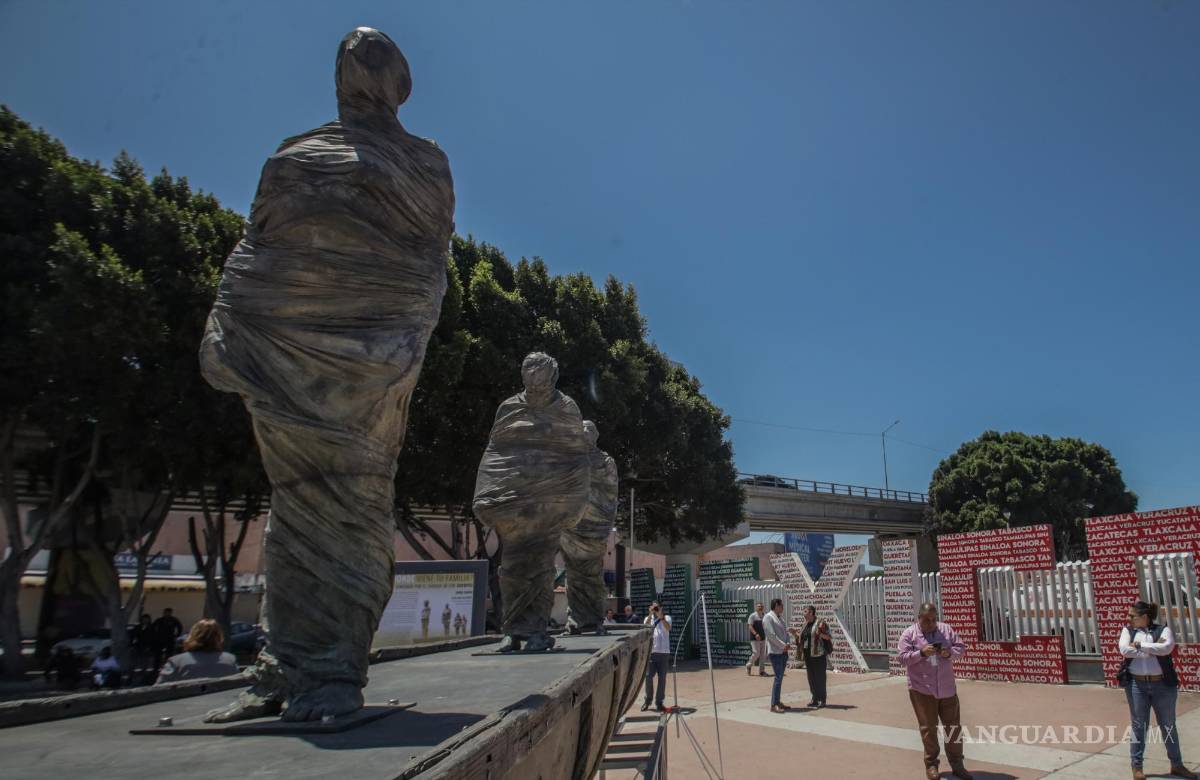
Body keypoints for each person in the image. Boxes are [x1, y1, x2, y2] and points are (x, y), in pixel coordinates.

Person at [1118, 600, 1197, 780]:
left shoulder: (1163, 630)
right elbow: (1124, 649)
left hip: (1162, 685)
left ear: (1144, 617)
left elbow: (1166, 648)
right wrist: (1151, 649)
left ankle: (1176, 764)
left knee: (1168, 725)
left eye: (1132, 616)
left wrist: (1138, 646)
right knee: (1139, 726)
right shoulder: (1128, 631)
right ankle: (1136, 767)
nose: (1128, 618)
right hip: (1137, 685)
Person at [899, 602, 972, 780]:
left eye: (934, 619)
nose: (931, 623)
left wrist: (949, 653)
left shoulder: (946, 630)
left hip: (947, 689)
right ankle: (931, 766)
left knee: (953, 728)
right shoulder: (909, 634)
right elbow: (902, 658)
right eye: (927, 620)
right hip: (922, 690)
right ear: (919, 619)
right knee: (928, 729)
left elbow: (961, 648)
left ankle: (957, 765)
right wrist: (921, 653)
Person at [156, 619, 239, 685]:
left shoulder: (176, 661)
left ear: (192, 635)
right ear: (218, 637)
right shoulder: (230, 660)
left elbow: (158, 689)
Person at [797, 605, 832, 707]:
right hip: (808, 655)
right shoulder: (805, 625)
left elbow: (829, 636)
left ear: (811, 612)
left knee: (820, 678)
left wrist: (820, 634)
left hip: (819, 655)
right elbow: (802, 639)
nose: (803, 614)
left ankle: (822, 699)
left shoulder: (821, 623)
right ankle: (814, 698)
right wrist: (795, 634)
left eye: (805, 611)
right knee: (811, 678)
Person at [640, 602, 671, 712]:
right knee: (648, 677)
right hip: (652, 653)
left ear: (661, 607)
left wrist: (661, 617)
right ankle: (648, 700)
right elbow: (645, 627)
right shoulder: (648, 618)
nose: (656, 608)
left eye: (657, 607)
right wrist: (650, 614)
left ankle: (659, 702)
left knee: (662, 679)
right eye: (654, 607)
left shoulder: (666, 617)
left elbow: (668, 628)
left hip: (664, 653)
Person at [763, 598, 790, 713]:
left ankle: (778, 701)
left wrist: (787, 643)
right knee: (778, 678)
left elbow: (785, 632)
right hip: (775, 652)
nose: (783, 607)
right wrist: (783, 645)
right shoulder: (768, 618)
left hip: (783, 652)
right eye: (781, 605)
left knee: (780, 678)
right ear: (776, 606)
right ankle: (773, 705)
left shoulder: (780, 618)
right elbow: (771, 636)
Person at [745, 602, 767, 676]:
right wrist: (756, 634)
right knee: (756, 653)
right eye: (758, 606)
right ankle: (749, 665)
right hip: (755, 638)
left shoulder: (765, 616)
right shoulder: (752, 616)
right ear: (756, 607)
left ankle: (762, 671)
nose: (760, 607)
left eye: (761, 606)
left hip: (763, 638)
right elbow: (750, 626)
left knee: (763, 655)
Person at [130, 613, 155, 679]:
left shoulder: (151, 627)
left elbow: (153, 637)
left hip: (148, 646)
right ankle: (136, 675)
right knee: (137, 661)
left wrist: (150, 646)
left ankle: (145, 676)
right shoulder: (138, 627)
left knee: (146, 662)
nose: (145, 621)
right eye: (144, 619)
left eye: (147, 619)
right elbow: (133, 635)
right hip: (139, 646)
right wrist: (132, 645)